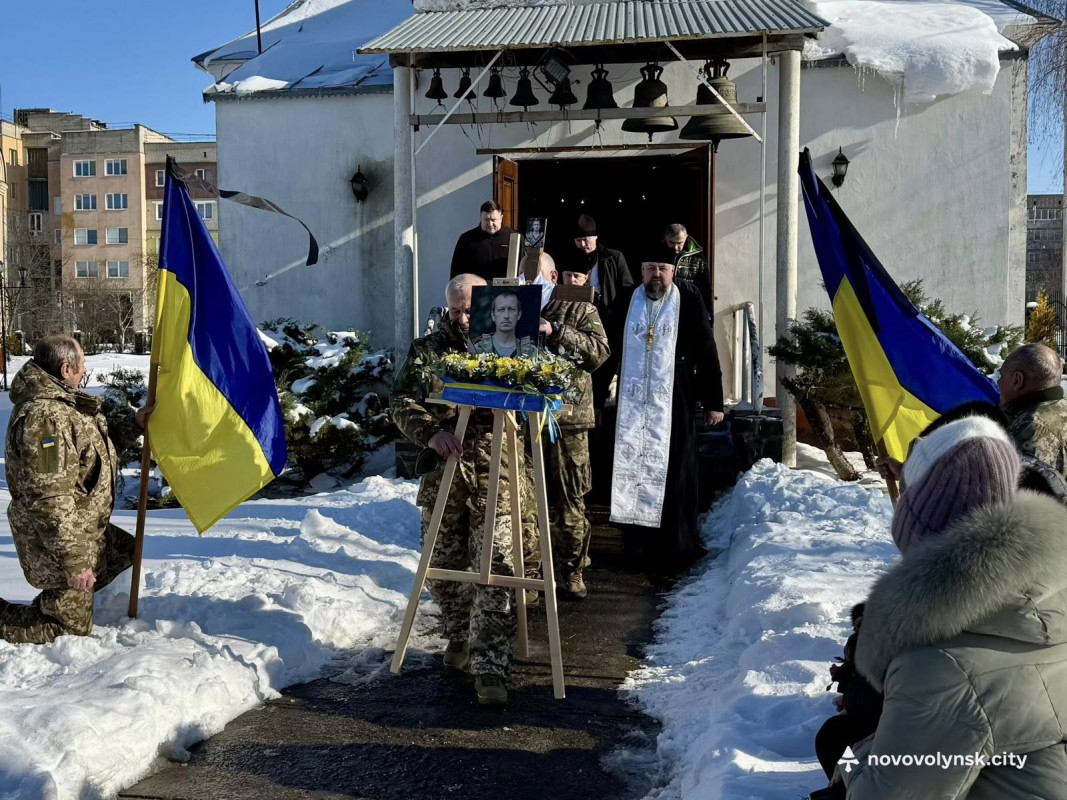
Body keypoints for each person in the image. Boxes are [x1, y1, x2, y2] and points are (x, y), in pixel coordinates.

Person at [840, 414, 1067, 798]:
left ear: (917, 538)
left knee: (838, 740)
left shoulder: (939, 668)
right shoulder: (1055, 587)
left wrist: (850, 758)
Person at [391, 273, 519, 706]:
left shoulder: (510, 345)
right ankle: (460, 632)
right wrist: (431, 433)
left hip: (497, 474)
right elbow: (401, 400)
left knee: (494, 569)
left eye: (470, 309)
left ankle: (491, 668)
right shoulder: (428, 350)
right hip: (446, 475)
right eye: (456, 310)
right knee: (440, 565)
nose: (464, 318)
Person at [0, 335, 136, 644]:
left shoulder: (64, 404)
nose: (85, 370)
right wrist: (74, 562)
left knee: (126, 551)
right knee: (68, 630)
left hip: (82, 530)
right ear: (65, 369)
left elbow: (91, 450)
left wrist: (136, 425)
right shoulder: (46, 419)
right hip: (57, 538)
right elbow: (49, 496)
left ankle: (61, 602)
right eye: (82, 364)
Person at [610, 255, 723, 580]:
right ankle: (637, 542)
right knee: (632, 467)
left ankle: (676, 546)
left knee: (674, 470)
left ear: (672, 271)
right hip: (632, 402)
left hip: (675, 399)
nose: (656, 275)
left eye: (662, 269)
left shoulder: (688, 299)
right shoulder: (627, 300)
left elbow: (706, 349)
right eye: (650, 269)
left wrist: (714, 402)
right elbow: (610, 348)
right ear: (641, 271)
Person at [530, 254, 610, 600]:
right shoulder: (515, 304)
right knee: (526, 498)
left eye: (535, 276)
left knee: (569, 500)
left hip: (568, 418)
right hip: (524, 416)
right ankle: (530, 570)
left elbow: (599, 352)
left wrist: (556, 331)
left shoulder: (579, 307)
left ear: (552, 276)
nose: (529, 282)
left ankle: (572, 569)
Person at [569, 214, 634, 407]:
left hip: (608, 323)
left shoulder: (613, 257)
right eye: (579, 240)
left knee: (605, 376)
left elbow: (627, 290)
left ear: (595, 237)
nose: (583, 244)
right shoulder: (570, 259)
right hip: (579, 325)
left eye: (586, 239)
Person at [998, 342, 1067, 478]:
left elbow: (1014, 486)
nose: (998, 382)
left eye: (1001, 376)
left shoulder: (1032, 427)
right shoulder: (1061, 407)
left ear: (1017, 380)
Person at [450, 201, 522, 282]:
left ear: (501, 217)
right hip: (475, 288)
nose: (490, 224)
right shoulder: (467, 239)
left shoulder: (514, 237)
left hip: (507, 288)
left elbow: (523, 269)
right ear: (480, 217)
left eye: (493, 220)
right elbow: (456, 271)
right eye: (486, 220)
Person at [663, 223, 713, 317]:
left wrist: (708, 313)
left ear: (686, 238)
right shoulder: (656, 255)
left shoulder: (698, 258)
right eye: (672, 243)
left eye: (679, 243)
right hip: (663, 308)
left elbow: (706, 288)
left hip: (689, 308)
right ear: (665, 238)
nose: (675, 247)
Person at [472, 290, 537, 357]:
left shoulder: (531, 352)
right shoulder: (477, 349)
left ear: (519, 315)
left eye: (511, 309)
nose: (506, 316)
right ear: (493, 315)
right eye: (501, 309)